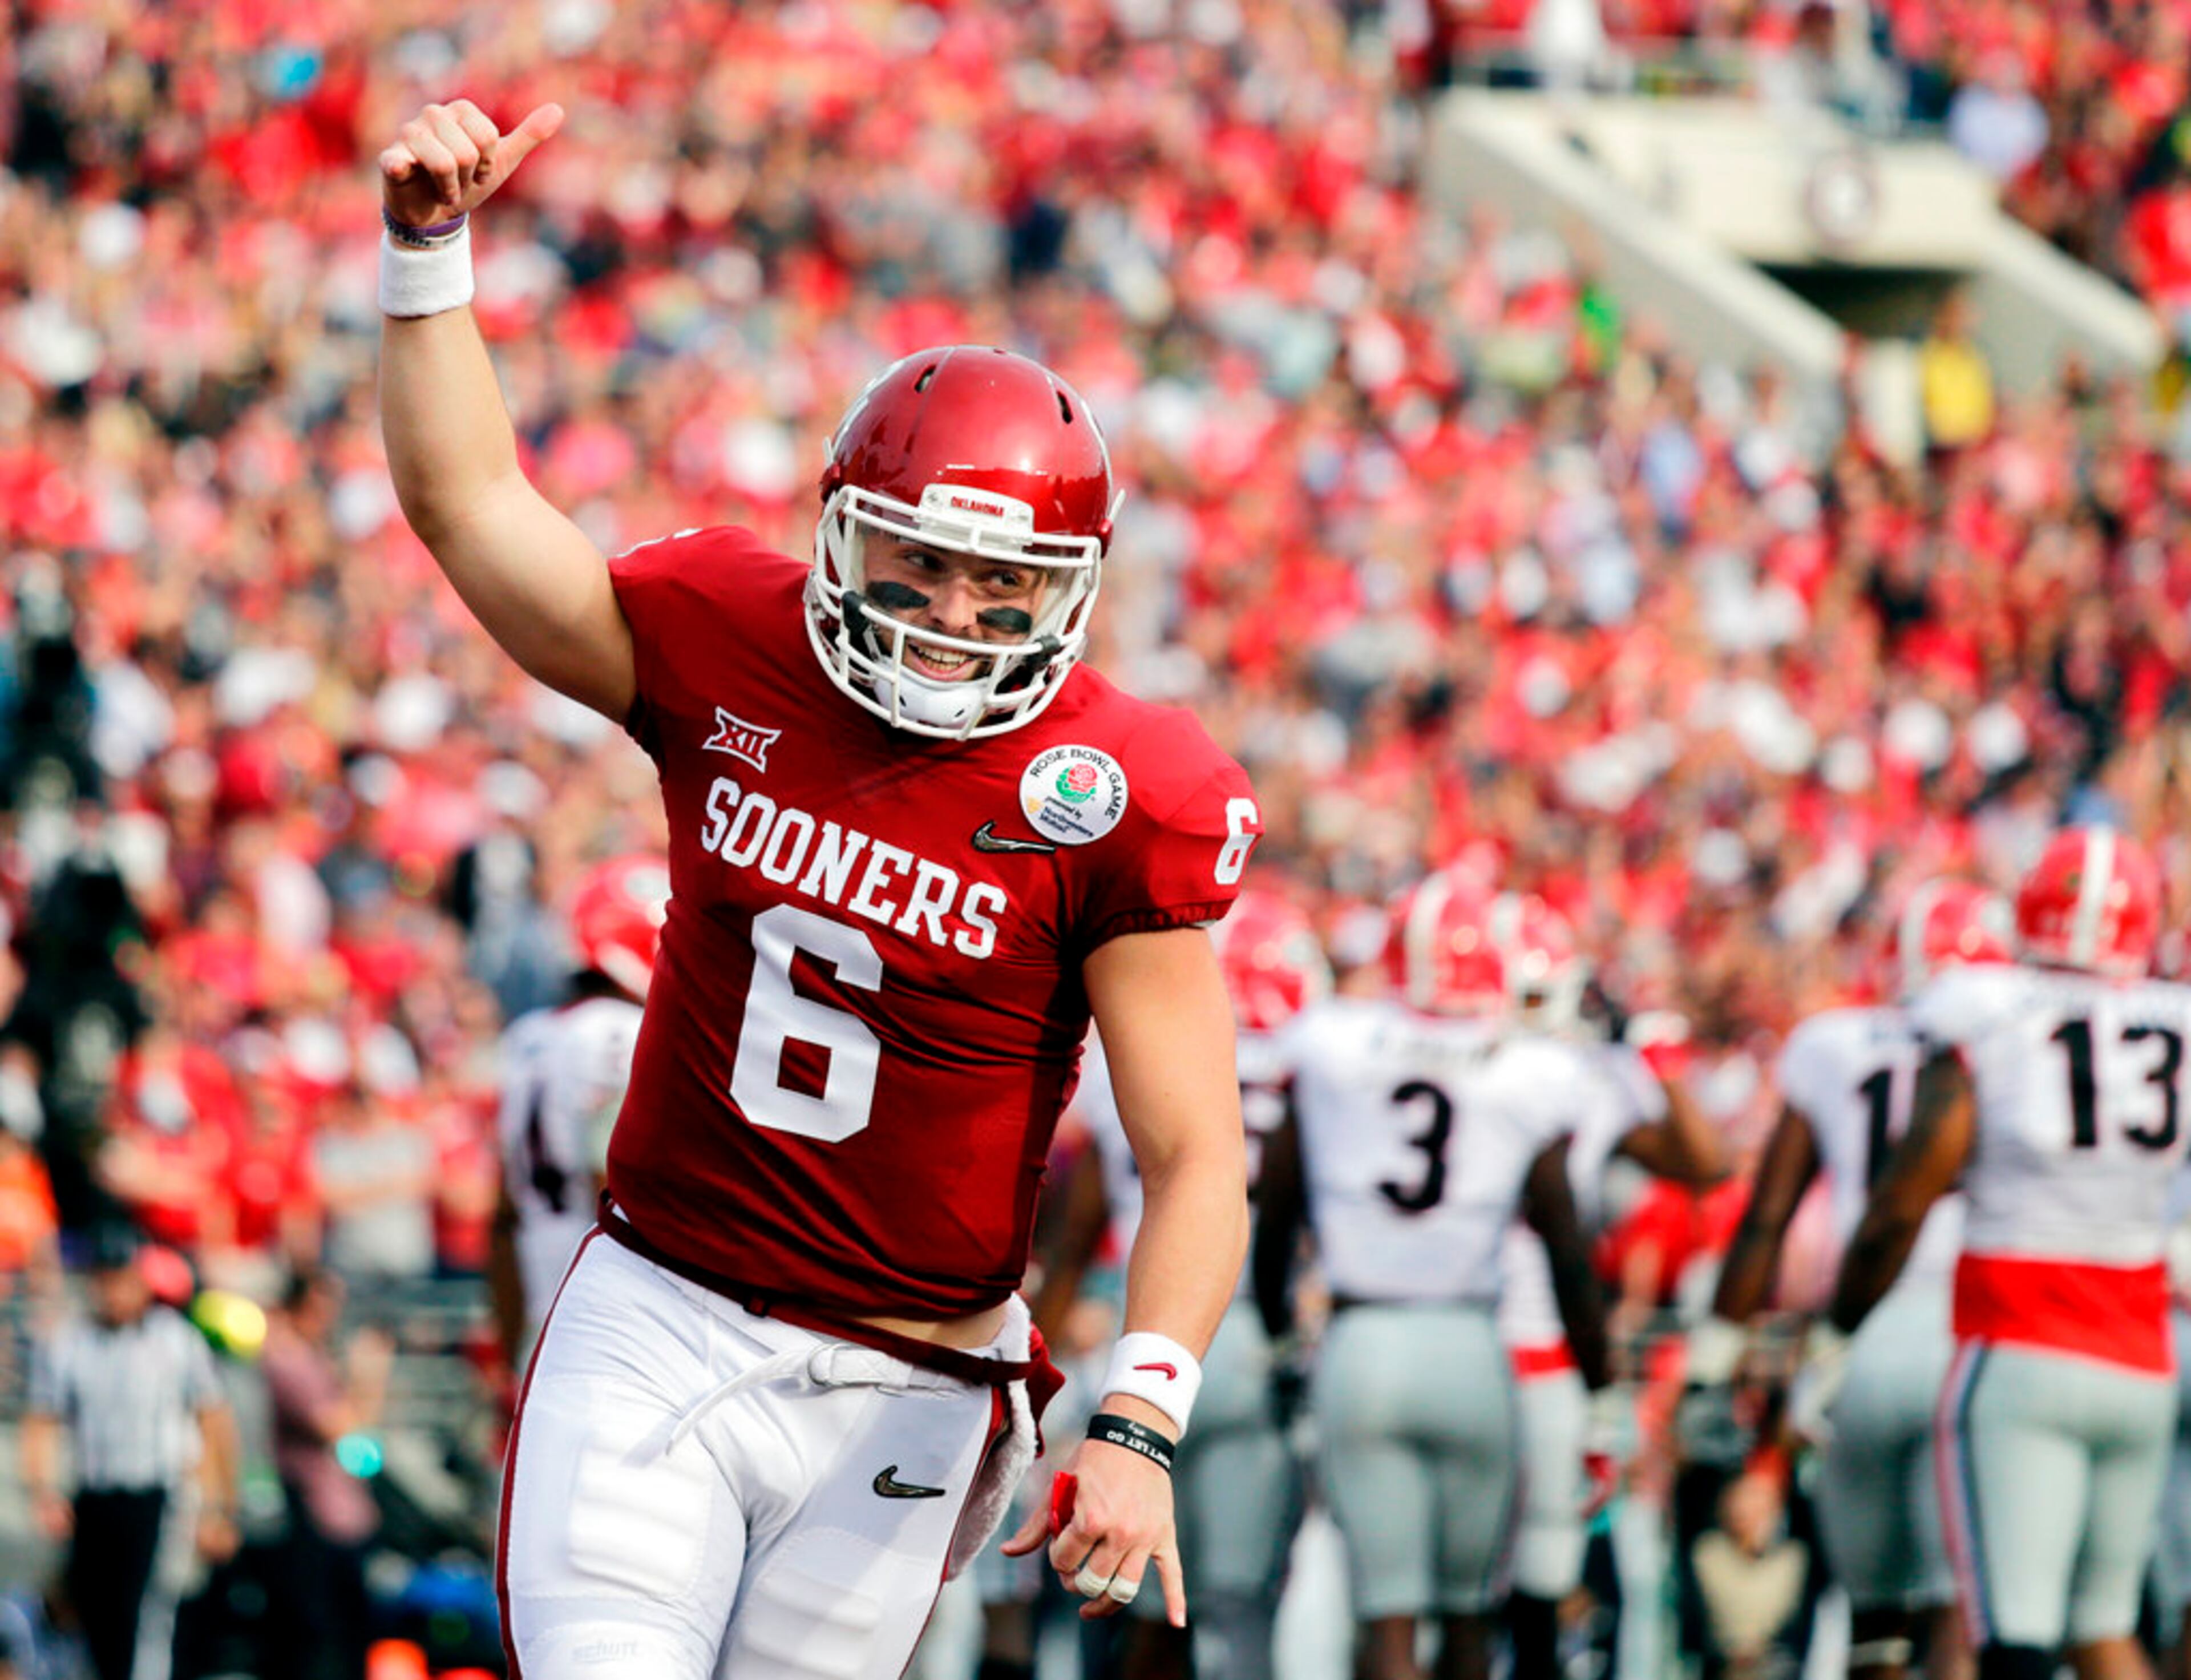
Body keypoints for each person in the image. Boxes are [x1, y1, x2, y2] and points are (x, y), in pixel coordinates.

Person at [378, 99, 1261, 1679]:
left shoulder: (1122, 788)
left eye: (1003, 584)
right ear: (841, 539)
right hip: (664, 1318)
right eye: (918, 562)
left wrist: (1142, 1419)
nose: (950, 613)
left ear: (1075, 593)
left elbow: (1197, 1150)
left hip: (909, 1395)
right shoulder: (732, 638)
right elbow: (474, 511)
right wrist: (430, 253)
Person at [1825, 827, 2191, 1680]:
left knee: (2012, 1639)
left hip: (2017, 1345)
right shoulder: (2175, 1021)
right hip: (2141, 1358)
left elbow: (1902, 1202)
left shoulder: (1985, 1009)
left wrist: (1838, 1334)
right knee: (2105, 1630)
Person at [1254, 867, 1613, 1680]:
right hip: (1468, 1346)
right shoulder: (1527, 1071)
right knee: (1467, 1620)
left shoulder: (1333, 1045)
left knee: (1386, 1620)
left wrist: (1277, 1336)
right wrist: (1599, 1384)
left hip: (1364, 1339)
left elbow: (1276, 1214)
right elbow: (1564, 1246)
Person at [1701, 880, 2012, 1680]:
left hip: (1861, 1334)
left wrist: (1718, 1347)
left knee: (1873, 1619)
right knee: (1954, 1609)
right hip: (1972, 1325)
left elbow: (1765, 1218)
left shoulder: (1831, 1043)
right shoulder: (2015, 1039)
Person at [1030, 886, 1331, 1680]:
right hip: (1249, 1338)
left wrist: (1042, 1359)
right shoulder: (1320, 1070)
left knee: (1139, 1598)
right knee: (1236, 1608)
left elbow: (1076, 1228)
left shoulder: (1134, 1060)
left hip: (1145, 1342)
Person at [1489, 894, 1726, 1678]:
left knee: (1483, 1593)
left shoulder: (1577, 1074)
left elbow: (1703, 1164)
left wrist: (1648, 1064)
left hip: (1508, 1341)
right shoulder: (1570, 1075)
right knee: (1513, 1584)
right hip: (1527, 1346)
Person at [19, 1223, 239, 1680]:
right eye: (104, 1279)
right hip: (96, 1495)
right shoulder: (69, 1343)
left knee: (147, 1612)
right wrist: (43, 1490)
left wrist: (220, 1506)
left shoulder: (175, 1340)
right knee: (93, 1613)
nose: (113, 1292)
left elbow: (214, 1421)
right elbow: (42, 1421)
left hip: (159, 1493)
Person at [487, 852, 666, 1374]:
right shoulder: (625, 1035)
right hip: (618, 1320)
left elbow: (503, 1217)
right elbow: (613, 1180)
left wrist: (505, 1355)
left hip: (544, 1318)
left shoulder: (527, 1038)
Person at [259, 1266, 393, 1680]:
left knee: (351, 1631)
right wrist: (370, 1375)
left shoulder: (316, 1359)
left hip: (342, 1516)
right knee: (316, 1636)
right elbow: (348, 1432)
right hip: (313, 1515)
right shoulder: (288, 1362)